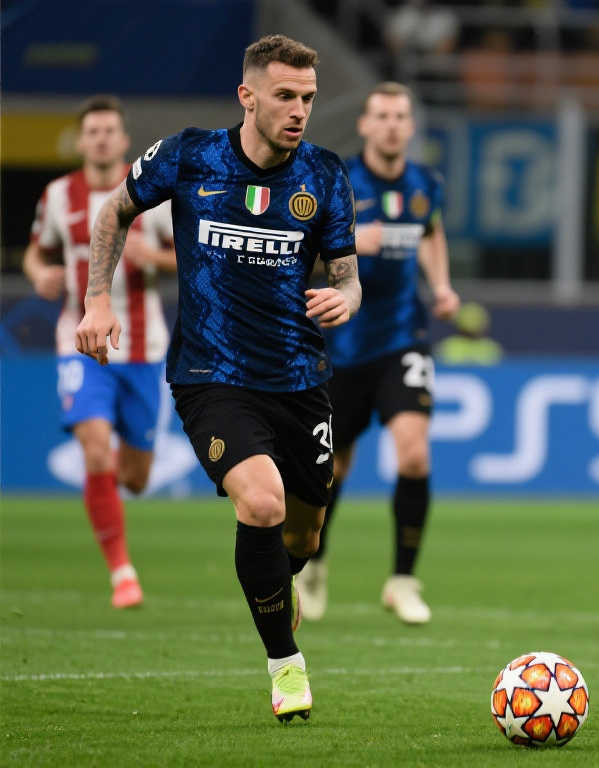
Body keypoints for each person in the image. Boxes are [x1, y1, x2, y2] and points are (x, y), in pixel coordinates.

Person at [75, 35, 360, 723]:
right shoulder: (189, 155)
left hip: (299, 377)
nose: (299, 110)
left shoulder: (324, 174)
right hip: (211, 375)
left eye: (308, 98)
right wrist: (97, 299)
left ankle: (278, 586)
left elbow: (347, 276)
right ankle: (286, 667)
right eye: (285, 96)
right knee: (260, 503)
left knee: (302, 538)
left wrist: (347, 298)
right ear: (248, 96)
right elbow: (114, 210)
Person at [295, 82, 459, 625]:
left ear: (410, 126)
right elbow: (297, 250)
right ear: (364, 125)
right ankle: (314, 564)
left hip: (403, 336)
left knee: (414, 454)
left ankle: (403, 581)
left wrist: (441, 286)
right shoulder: (335, 181)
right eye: (382, 116)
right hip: (342, 341)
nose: (392, 125)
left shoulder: (425, 183)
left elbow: (430, 233)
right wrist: (344, 246)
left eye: (400, 116)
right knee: (333, 467)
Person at [24, 95, 176, 609]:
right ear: (82, 141)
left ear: (124, 140)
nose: (102, 139)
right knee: (94, 448)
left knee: (136, 477)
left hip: (144, 348)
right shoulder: (58, 196)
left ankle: (106, 485)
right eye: (93, 131)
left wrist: (152, 256)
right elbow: (37, 252)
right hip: (80, 341)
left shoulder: (153, 194)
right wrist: (38, 273)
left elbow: (191, 256)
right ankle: (122, 574)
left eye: (110, 131)